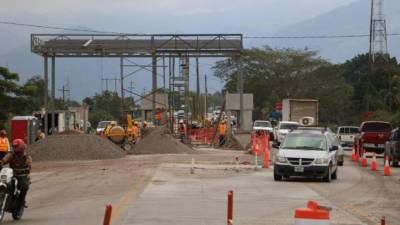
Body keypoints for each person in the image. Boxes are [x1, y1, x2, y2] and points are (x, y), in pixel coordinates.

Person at [0, 139, 32, 209]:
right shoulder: (11, 154)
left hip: (22, 175)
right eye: (14, 147)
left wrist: (28, 167)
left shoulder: (26, 156)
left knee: (24, 186)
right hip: (12, 174)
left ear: (21, 147)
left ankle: (21, 202)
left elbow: (29, 163)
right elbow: (4, 160)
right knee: (3, 181)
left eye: (16, 147)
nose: (15, 148)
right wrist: (1, 163)